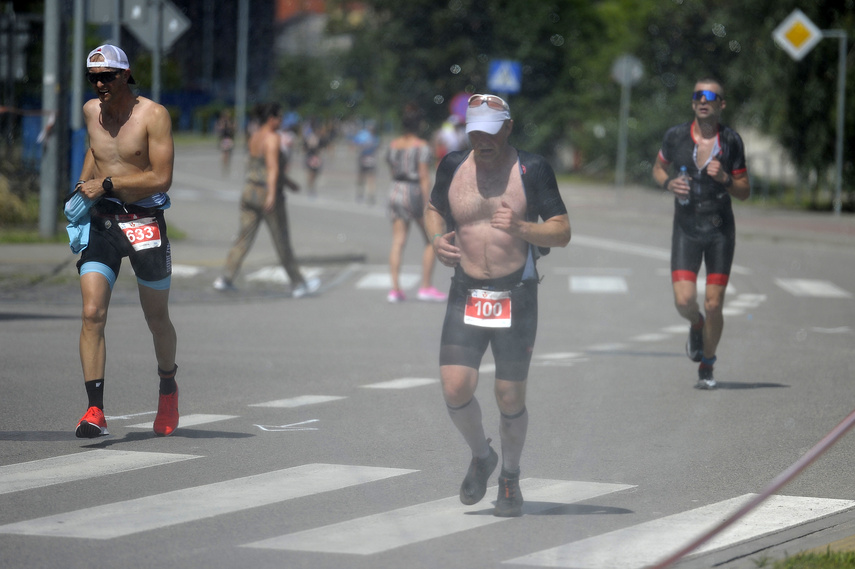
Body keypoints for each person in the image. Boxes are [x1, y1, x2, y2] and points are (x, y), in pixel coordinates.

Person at [425, 94, 571, 516]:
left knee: (509, 397)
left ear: (507, 127)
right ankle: (481, 455)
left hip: (516, 296)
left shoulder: (531, 169)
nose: (482, 140)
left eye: (490, 132)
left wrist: (524, 227)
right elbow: (434, 210)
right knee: (455, 389)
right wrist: (437, 241)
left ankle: (509, 476)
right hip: (466, 291)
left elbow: (562, 232)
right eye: (475, 131)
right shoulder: (453, 166)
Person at [71, 45, 179, 438]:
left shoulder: (153, 115)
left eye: (107, 76)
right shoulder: (90, 112)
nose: (100, 84)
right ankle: (94, 409)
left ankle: (168, 386)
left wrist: (110, 183)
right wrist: (81, 191)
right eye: (93, 77)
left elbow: (161, 178)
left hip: (145, 222)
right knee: (92, 313)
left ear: (125, 75)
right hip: (103, 222)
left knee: (156, 318)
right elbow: (96, 151)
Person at [652, 77, 750, 389]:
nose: (702, 100)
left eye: (710, 96)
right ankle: (696, 324)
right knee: (684, 301)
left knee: (713, 303)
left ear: (721, 104)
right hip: (686, 229)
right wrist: (668, 183)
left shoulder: (731, 141)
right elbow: (657, 169)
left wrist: (725, 178)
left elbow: (745, 191)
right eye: (697, 95)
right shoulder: (676, 136)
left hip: (720, 231)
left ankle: (707, 363)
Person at [213, 102, 319, 298]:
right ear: (271, 119)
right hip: (267, 194)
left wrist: (288, 183)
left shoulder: (255, 136)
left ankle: (225, 279)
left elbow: (259, 167)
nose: (281, 121)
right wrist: (272, 194)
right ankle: (298, 283)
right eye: (279, 117)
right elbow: (272, 168)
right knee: (282, 241)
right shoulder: (273, 138)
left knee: (243, 238)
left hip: (249, 191)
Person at [385, 103, 447, 303]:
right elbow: (423, 176)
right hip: (413, 191)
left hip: (395, 189)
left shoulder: (393, 145)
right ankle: (426, 286)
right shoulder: (421, 147)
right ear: (419, 125)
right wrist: (427, 202)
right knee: (431, 238)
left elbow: (391, 168)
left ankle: (395, 289)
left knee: (398, 241)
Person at [353, 121, 379, 205]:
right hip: (370, 158)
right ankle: (369, 196)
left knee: (363, 178)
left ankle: (362, 195)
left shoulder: (364, 136)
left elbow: (356, 144)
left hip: (364, 158)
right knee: (369, 178)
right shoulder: (375, 138)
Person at [215, 109, 236, 177]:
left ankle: (226, 164)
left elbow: (234, 128)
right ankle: (225, 165)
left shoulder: (231, 121)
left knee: (228, 153)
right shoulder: (221, 122)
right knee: (225, 153)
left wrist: (231, 125)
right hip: (224, 139)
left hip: (229, 138)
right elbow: (218, 129)